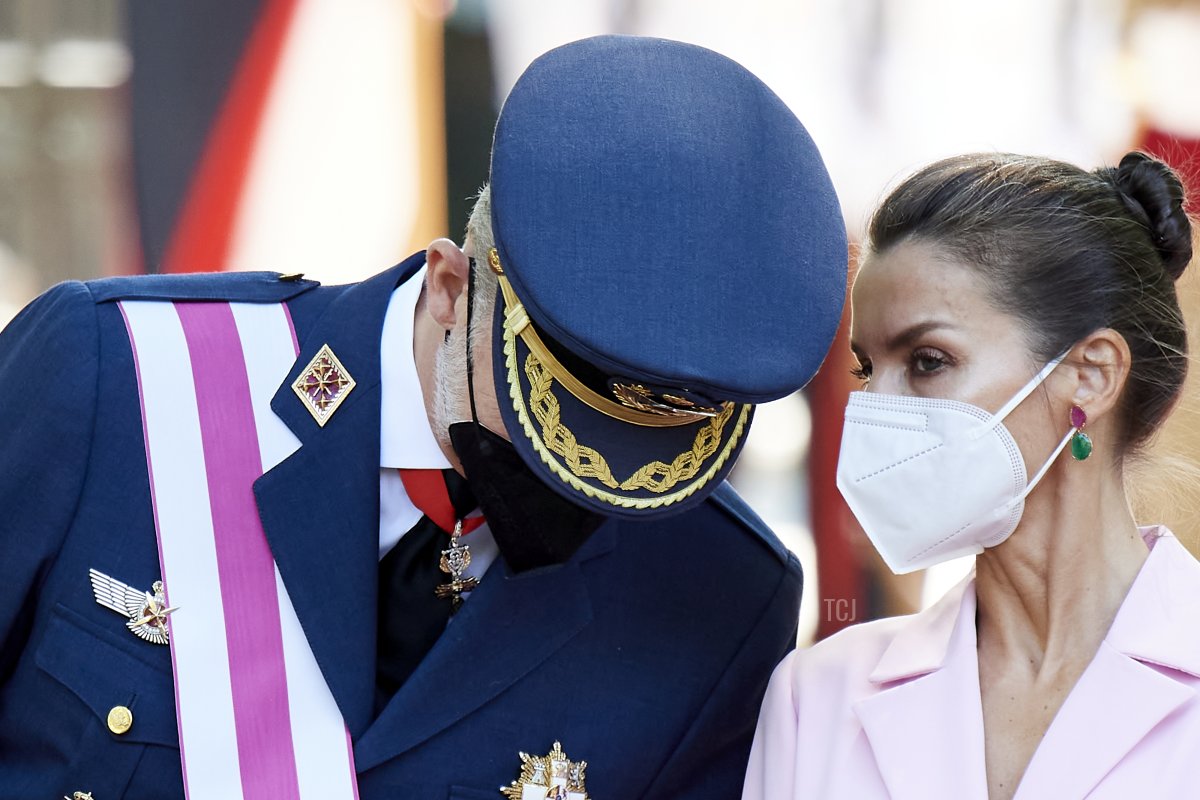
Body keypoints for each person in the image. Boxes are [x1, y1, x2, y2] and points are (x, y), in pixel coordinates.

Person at [0, 36, 848, 799]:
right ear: (451, 287)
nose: (588, 484)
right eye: (555, 416)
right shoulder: (117, 375)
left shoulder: (721, 593)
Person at [742, 150, 1197, 799]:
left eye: (927, 361)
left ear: (1091, 375)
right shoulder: (816, 695)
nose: (876, 411)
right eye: (867, 369)